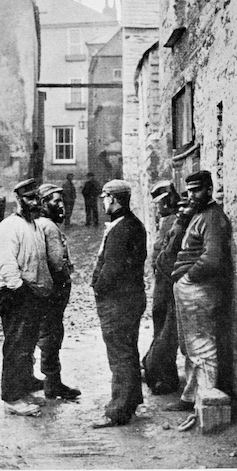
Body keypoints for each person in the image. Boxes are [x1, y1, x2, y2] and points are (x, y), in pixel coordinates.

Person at [166, 170, 232, 413]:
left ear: (209, 189)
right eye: (190, 191)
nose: (192, 195)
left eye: (198, 190)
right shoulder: (200, 214)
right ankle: (191, 396)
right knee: (191, 346)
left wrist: (188, 278)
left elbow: (213, 259)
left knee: (202, 346)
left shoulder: (213, 218)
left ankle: (207, 404)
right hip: (190, 288)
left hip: (200, 288)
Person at [0, 178, 53, 416]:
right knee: (16, 346)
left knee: (27, 346)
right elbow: (7, 265)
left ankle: (24, 387)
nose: (35, 202)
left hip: (32, 293)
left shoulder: (35, 225)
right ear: (18, 200)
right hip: (15, 293)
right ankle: (12, 398)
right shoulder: (8, 228)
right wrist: (20, 290)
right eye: (29, 198)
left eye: (37, 197)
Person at [91, 179, 147, 428]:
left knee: (119, 355)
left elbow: (111, 270)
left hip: (118, 302)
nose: (103, 202)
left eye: (105, 198)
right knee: (128, 350)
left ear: (113, 199)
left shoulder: (122, 229)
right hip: (131, 298)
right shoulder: (131, 224)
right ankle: (130, 400)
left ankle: (119, 410)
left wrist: (98, 289)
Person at [142, 180, 189, 395]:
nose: (158, 208)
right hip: (161, 280)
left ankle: (161, 374)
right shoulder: (167, 220)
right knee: (161, 324)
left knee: (166, 329)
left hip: (168, 281)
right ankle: (158, 368)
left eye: (161, 203)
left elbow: (167, 253)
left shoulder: (173, 221)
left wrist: (159, 266)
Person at [36, 183, 81, 400]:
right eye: (56, 201)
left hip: (40, 289)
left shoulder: (36, 223)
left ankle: (43, 379)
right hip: (53, 289)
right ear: (44, 203)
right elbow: (57, 262)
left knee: (43, 333)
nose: (61, 206)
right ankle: (52, 384)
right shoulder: (50, 228)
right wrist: (65, 280)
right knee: (52, 335)